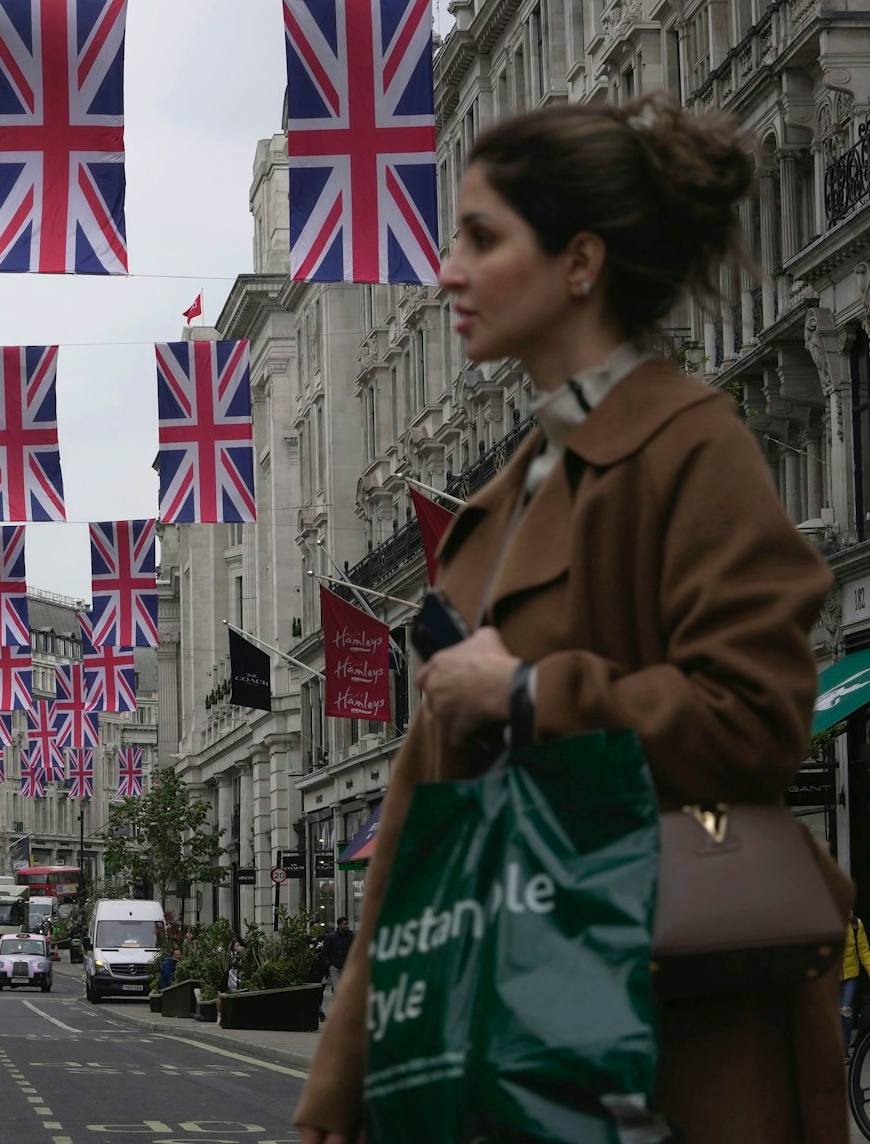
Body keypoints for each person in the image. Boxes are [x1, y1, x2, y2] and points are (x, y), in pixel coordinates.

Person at [295, 93, 849, 1144]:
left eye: (480, 237)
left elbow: (755, 717)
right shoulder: (501, 500)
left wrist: (528, 691)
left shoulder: (688, 443)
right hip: (500, 1025)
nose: (446, 270)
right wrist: (346, 1055)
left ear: (579, 263)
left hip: (661, 1034)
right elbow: (418, 823)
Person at [843, 913, 870, 1049]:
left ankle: (844, 1050)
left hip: (850, 976)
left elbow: (864, 952)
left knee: (845, 1011)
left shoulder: (855, 923)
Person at [319, 917, 352, 994]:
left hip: (346, 966)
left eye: (347, 924)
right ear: (339, 925)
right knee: (338, 990)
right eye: (345, 924)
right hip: (335, 967)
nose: (346, 926)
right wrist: (329, 965)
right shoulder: (331, 937)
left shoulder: (350, 936)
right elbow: (325, 951)